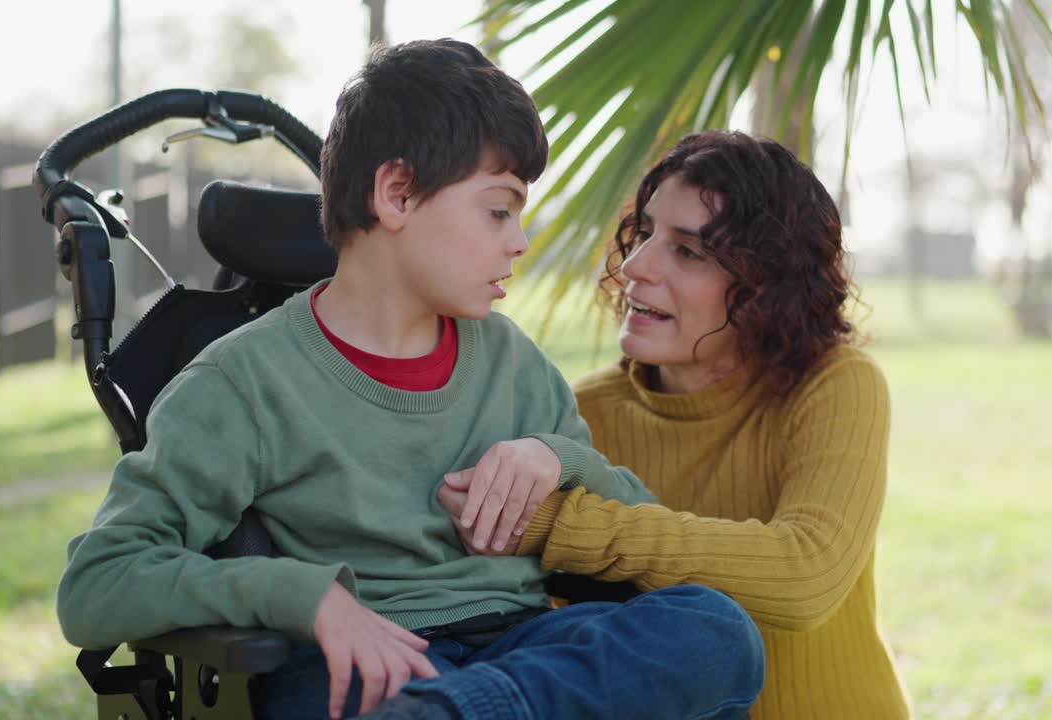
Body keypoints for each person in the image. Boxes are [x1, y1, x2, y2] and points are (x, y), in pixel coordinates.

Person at [56, 41, 763, 720]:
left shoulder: (514, 367)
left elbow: (637, 535)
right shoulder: (242, 383)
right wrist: (308, 599)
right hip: (361, 667)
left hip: (518, 648)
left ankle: (452, 713)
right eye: (498, 209)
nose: (520, 240)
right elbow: (97, 583)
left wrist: (559, 459)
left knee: (716, 629)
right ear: (395, 194)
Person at [443, 131, 911, 719]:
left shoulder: (835, 384)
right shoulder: (583, 414)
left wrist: (558, 525)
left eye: (688, 251)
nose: (636, 266)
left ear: (770, 289)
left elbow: (806, 574)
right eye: (643, 233)